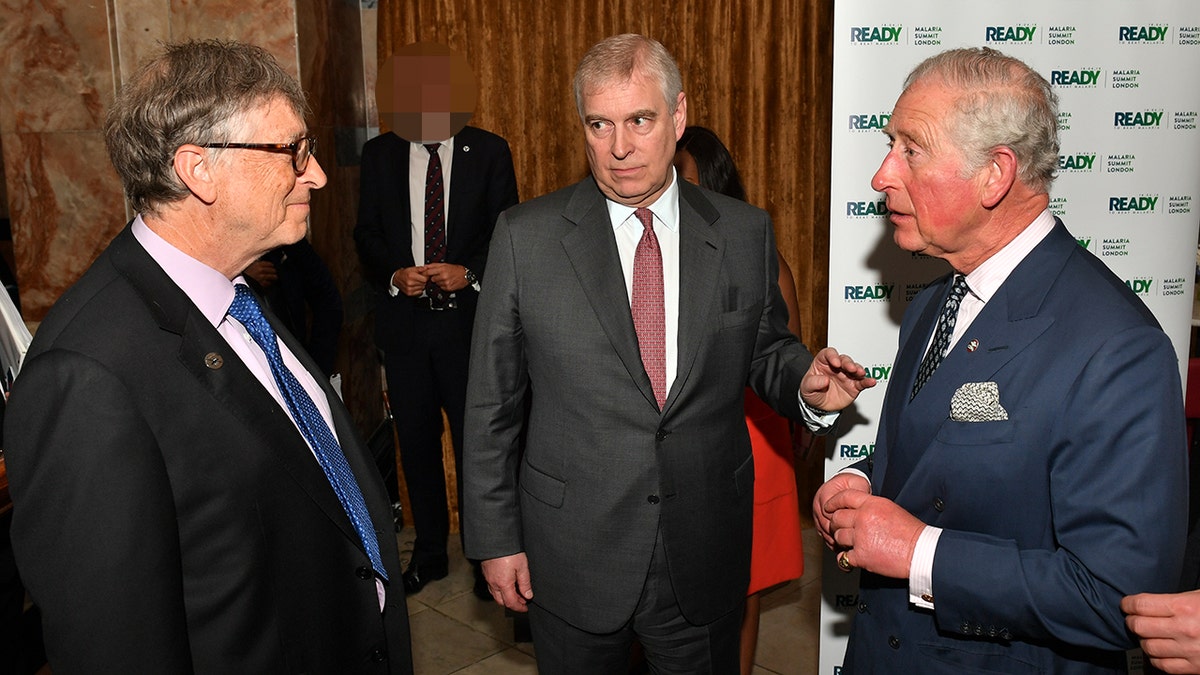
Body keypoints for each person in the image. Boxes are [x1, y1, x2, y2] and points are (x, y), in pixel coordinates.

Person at [462, 33, 873, 673]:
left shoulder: (742, 232)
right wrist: (493, 540)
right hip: (573, 552)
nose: (619, 147)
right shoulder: (526, 239)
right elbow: (492, 405)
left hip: (702, 547)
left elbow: (764, 348)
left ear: (677, 117)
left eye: (639, 121)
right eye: (599, 125)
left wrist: (804, 384)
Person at [3, 39, 413, 673]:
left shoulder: (237, 293)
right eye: (291, 152)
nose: (318, 174)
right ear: (198, 168)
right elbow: (118, 648)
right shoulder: (86, 377)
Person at [813, 46, 1187, 673]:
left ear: (995, 174)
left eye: (912, 149)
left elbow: (1117, 597)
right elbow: (950, 459)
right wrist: (866, 485)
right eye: (889, 145)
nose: (882, 175)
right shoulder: (935, 301)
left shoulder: (1118, 347)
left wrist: (920, 555)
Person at [355, 42, 519, 598]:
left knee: (480, 445)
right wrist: (396, 274)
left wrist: (468, 273)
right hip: (404, 329)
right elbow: (365, 236)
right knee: (416, 445)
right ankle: (429, 553)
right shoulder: (379, 156)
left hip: (469, 328)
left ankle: (484, 556)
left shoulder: (490, 152)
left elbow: (508, 233)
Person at [674, 125, 804, 675]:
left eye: (682, 180)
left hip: (751, 443)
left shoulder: (759, 256)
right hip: (677, 442)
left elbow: (785, 357)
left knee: (740, 588)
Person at [244, 237, 344, 377]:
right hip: (247, 369)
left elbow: (328, 301)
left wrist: (315, 369)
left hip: (296, 360)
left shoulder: (285, 235)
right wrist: (243, 279)